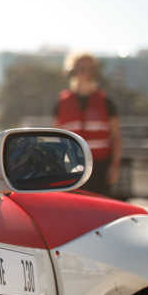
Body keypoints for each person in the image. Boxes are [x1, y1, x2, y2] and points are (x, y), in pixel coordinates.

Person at [55, 53, 122, 196]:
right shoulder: (62, 103)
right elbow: (56, 138)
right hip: (72, 168)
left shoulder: (106, 101)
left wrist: (115, 165)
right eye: (82, 68)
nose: (87, 72)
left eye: (91, 69)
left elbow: (116, 136)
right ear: (72, 71)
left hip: (101, 168)